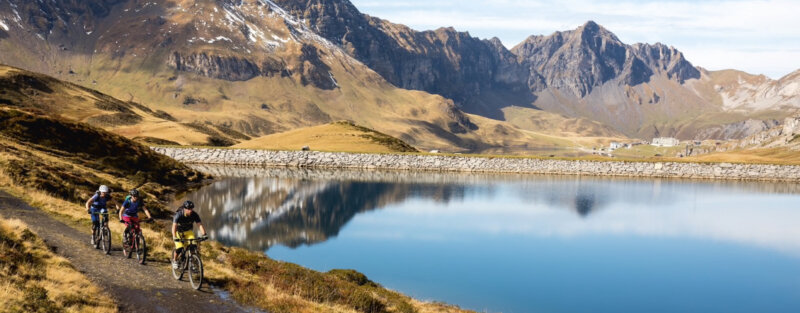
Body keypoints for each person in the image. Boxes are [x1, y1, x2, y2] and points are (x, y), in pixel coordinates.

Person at [172, 200, 207, 269]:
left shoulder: (194, 215)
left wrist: (204, 234)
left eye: (191, 209)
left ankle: (193, 263)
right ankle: (174, 260)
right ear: (184, 209)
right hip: (178, 232)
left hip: (188, 232)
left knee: (193, 246)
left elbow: (199, 225)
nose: (190, 210)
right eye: (188, 209)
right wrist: (174, 236)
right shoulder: (179, 214)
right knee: (179, 248)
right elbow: (174, 226)